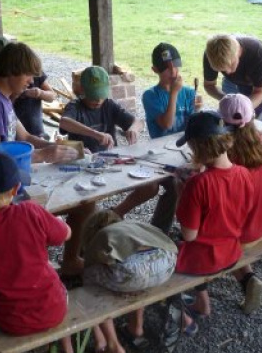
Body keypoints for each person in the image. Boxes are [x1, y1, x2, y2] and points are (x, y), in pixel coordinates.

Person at [0, 41, 84, 275]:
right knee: (75, 203)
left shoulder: (3, 99)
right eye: (28, 74)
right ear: (11, 71)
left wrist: (64, 148)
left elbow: (27, 136)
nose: (31, 81)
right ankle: (31, 273)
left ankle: (67, 262)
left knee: (84, 201)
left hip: (10, 181)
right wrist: (43, 155)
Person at [0, 152, 78, 352]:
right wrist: (57, 222)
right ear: (16, 189)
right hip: (54, 310)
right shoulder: (31, 211)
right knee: (45, 267)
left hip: (10, 322)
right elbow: (66, 234)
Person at [175, 111, 252, 330]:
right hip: (232, 252)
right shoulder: (244, 173)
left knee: (159, 259)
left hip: (203, 259)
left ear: (197, 148)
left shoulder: (198, 184)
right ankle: (203, 304)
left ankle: (184, 311)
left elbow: (189, 235)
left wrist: (181, 193)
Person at [112, 43, 200, 232]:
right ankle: (158, 229)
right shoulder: (150, 96)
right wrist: (174, 93)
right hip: (160, 155)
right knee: (170, 186)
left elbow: (192, 126)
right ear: (155, 70)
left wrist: (198, 112)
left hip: (184, 151)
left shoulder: (189, 93)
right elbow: (166, 124)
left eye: (175, 65)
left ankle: (186, 227)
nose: (173, 71)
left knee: (192, 182)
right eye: (166, 68)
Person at [82, 209, 177, 349]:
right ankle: (136, 326)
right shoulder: (133, 225)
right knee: (139, 277)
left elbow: (89, 263)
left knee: (88, 278)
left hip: (133, 273)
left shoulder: (102, 235)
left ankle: (108, 342)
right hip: (168, 262)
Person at [219, 93, 262, 314]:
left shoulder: (225, 153)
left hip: (241, 232)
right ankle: (248, 279)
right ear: (252, 117)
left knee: (206, 224)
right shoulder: (261, 142)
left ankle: (247, 278)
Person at [59, 65, 143, 153]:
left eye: (101, 95)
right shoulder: (74, 106)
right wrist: (95, 134)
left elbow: (139, 122)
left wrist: (133, 129)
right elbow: (64, 122)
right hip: (84, 157)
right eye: (94, 96)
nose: (99, 100)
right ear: (82, 90)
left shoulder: (109, 105)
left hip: (110, 156)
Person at [202, 34, 262, 125]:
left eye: (230, 65)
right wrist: (228, 101)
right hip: (232, 81)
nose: (228, 72)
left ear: (238, 52)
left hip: (261, 79)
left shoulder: (258, 53)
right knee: (230, 116)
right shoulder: (211, 55)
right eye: (222, 70)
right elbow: (209, 85)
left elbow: (259, 91)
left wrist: (244, 108)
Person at [14, 72, 56, 139]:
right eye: (28, 75)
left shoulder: (36, 71)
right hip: (15, 133)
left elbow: (52, 96)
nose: (32, 81)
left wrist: (40, 93)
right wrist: (22, 93)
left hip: (36, 132)